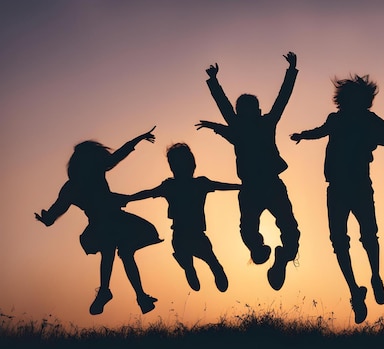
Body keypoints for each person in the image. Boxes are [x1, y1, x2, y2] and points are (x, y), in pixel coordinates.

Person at [290, 74, 384, 324]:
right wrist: (303, 135)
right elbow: (321, 131)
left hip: (359, 186)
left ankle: (375, 277)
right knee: (339, 241)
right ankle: (355, 292)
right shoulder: (336, 119)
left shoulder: (369, 121)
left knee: (368, 235)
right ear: (344, 100)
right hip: (336, 187)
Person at [195, 52, 300, 291]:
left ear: (256, 111)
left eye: (247, 109)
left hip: (267, 186)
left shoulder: (259, 124)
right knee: (252, 230)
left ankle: (281, 257)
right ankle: (261, 249)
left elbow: (283, 98)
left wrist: (292, 70)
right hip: (256, 187)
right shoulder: (241, 128)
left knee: (285, 228)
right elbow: (224, 106)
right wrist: (213, 82)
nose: (245, 114)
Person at [35, 126, 162, 315]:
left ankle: (129, 295)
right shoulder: (75, 185)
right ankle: (118, 293)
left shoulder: (79, 182)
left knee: (118, 252)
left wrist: (139, 138)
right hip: (104, 223)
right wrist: (47, 219)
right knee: (114, 250)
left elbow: (118, 155)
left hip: (111, 220)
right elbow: (56, 210)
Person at [124, 143, 240, 293]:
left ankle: (200, 267)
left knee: (211, 260)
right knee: (201, 257)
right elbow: (147, 193)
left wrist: (242, 187)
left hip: (192, 235)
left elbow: (222, 185)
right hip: (182, 235)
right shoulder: (176, 185)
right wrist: (128, 198)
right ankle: (189, 267)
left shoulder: (197, 184)